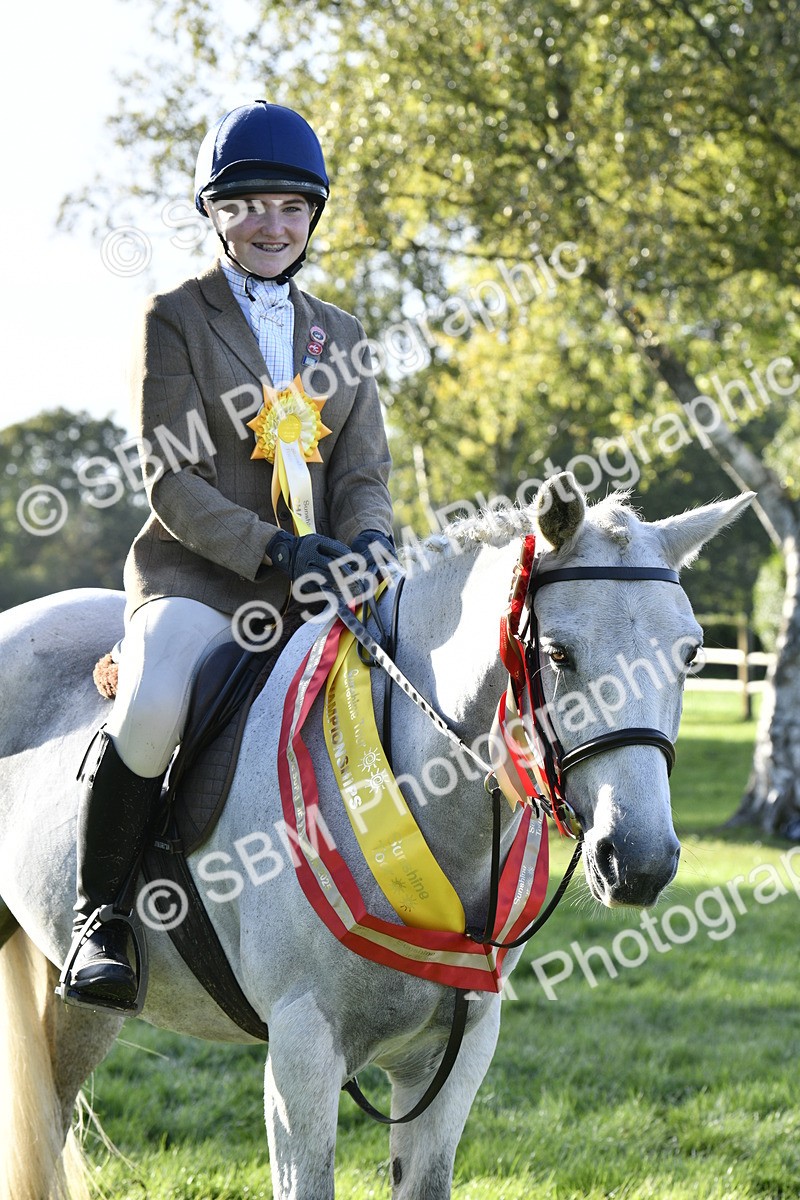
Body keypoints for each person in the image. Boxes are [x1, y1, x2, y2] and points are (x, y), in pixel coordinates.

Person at [60, 101, 396, 1010]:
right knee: (158, 696)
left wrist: (368, 539)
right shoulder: (174, 317)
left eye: (291, 207)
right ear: (215, 213)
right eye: (249, 205)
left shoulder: (344, 335)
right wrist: (276, 549)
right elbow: (169, 481)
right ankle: (103, 916)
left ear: (313, 216)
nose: (271, 225)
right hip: (202, 578)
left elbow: (363, 471)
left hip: (323, 578)